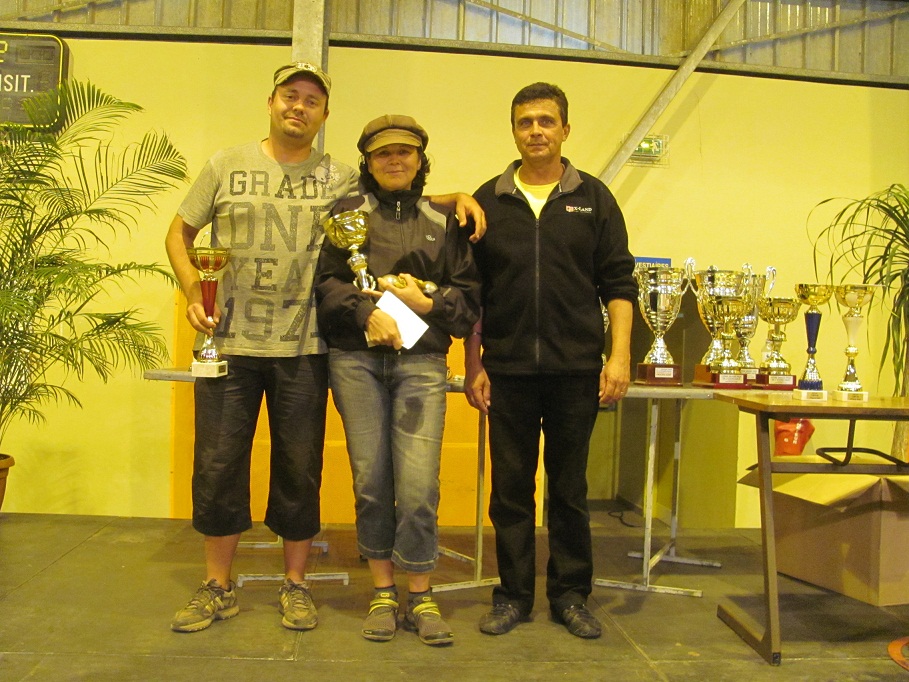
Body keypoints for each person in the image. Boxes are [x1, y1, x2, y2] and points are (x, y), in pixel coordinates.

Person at [165, 62, 485, 634]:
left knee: (300, 471)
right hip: (227, 342)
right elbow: (179, 232)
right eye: (291, 97)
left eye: (312, 101)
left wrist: (458, 195)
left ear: (324, 115)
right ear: (271, 101)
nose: (299, 107)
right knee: (217, 467)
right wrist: (195, 287)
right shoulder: (224, 164)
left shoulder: (340, 179)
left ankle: (296, 585)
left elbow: (399, 195)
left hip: (304, 346)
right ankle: (217, 585)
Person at [463, 82, 637, 640]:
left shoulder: (595, 198)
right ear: (513, 131)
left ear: (565, 129)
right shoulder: (487, 200)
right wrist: (473, 364)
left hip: (575, 372)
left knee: (569, 490)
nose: (535, 130)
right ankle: (512, 595)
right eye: (524, 122)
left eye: (545, 121)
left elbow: (618, 283)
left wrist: (619, 358)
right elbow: (472, 293)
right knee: (510, 491)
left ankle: (570, 595)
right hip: (508, 371)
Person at [315, 115, 480, 646]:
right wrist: (367, 315)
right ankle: (383, 592)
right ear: (366, 161)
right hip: (356, 363)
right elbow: (326, 290)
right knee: (370, 482)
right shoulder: (345, 215)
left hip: (422, 365)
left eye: (404, 153)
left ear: (419, 158)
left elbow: (468, 300)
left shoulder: (444, 219)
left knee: (417, 488)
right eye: (382, 154)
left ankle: (421, 592)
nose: (394, 161)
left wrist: (423, 301)